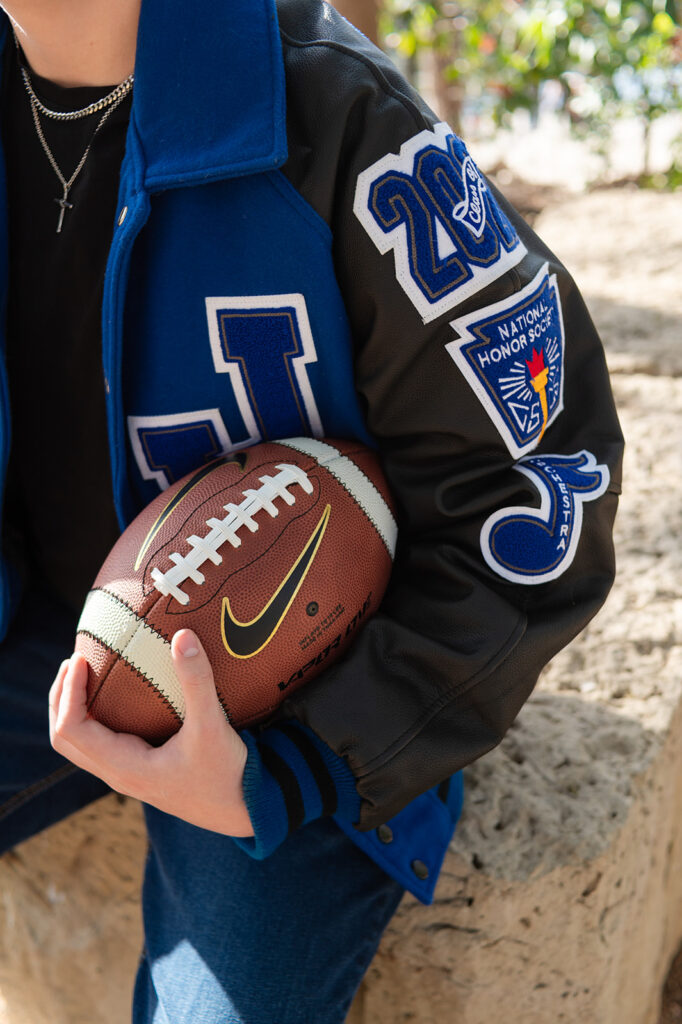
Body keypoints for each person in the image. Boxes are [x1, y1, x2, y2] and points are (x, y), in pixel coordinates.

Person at [0, 0, 623, 1021]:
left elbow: (542, 477)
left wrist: (303, 764)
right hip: (41, 635)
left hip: (297, 697)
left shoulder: (336, 110)